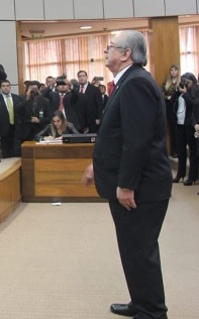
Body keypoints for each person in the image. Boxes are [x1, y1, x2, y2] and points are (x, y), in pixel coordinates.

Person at [83, 30, 171, 319]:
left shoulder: (135, 84)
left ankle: (153, 312)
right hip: (136, 184)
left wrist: (125, 185)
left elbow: (137, 142)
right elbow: (120, 136)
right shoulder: (127, 82)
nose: (106, 51)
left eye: (111, 47)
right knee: (133, 249)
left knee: (140, 250)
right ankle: (141, 301)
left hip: (142, 188)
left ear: (126, 54)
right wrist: (98, 165)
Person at [172, 72, 198, 185]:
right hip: (179, 124)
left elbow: (194, 105)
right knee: (181, 151)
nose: (184, 84)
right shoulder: (180, 92)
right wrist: (177, 92)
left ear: (192, 82)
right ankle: (180, 173)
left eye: (186, 82)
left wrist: (186, 93)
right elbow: (172, 102)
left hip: (190, 125)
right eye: (183, 81)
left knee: (192, 152)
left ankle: (192, 177)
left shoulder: (196, 91)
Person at [0, 80, 23, 157]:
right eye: (3, 86)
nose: (6, 88)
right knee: (6, 152)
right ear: (1, 88)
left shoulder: (17, 98)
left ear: (10, 87)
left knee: (16, 151)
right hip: (3, 127)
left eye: (7, 86)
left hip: (16, 127)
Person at [162, 64, 180, 157]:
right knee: (170, 130)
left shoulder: (180, 82)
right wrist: (167, 97)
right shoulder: (167, 82)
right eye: (172, 70)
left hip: (177, 108)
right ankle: (173, 151)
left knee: (176, 130)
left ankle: (177, 150)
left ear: (178, 72)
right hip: (167, 107)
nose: (173, 72)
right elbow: (161, 93)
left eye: (175, 70)